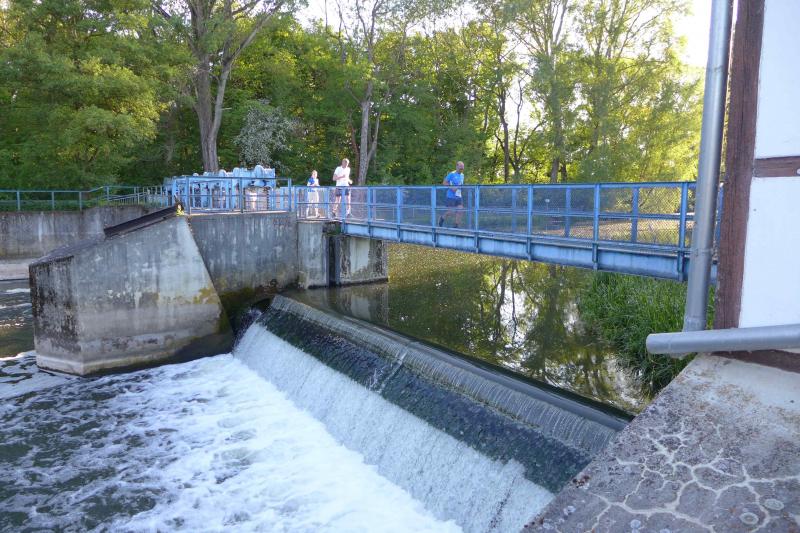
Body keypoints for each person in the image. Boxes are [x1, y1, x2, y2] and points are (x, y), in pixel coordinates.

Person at [439, 161, 465, 228]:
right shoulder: (452, 174)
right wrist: (452, 187)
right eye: (460, 167)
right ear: (457, 166)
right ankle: (442, 218)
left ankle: (456, 226)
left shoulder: (462, 175)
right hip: (451, 196)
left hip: (459, 196)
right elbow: (444, 183)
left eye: (463, 167)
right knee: (451, 211)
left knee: (460, 210)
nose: (462, 169)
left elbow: (460, 184)